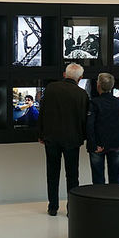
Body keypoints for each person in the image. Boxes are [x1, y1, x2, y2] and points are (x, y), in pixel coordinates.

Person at [37, 63, 88, 216]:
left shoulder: (51, 88)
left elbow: (43, 112)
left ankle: (53, 207)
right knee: (72, 175)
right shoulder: (82, 94)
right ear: (80, 78)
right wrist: (83, 137)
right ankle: (71, 209)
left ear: (65, 74)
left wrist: (41, 134)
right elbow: (84, 120)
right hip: (72, 140)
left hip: (51, 138)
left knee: (52, 173)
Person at [86, 73, 119, 184]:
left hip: (98, 146)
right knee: (116, 178)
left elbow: (89, 126)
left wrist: (93, 145)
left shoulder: (94, 103)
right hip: (117, 145)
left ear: (98, 85)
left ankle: (100, 201)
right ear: (111, 86)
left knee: (98, 179)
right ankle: (115, 200)